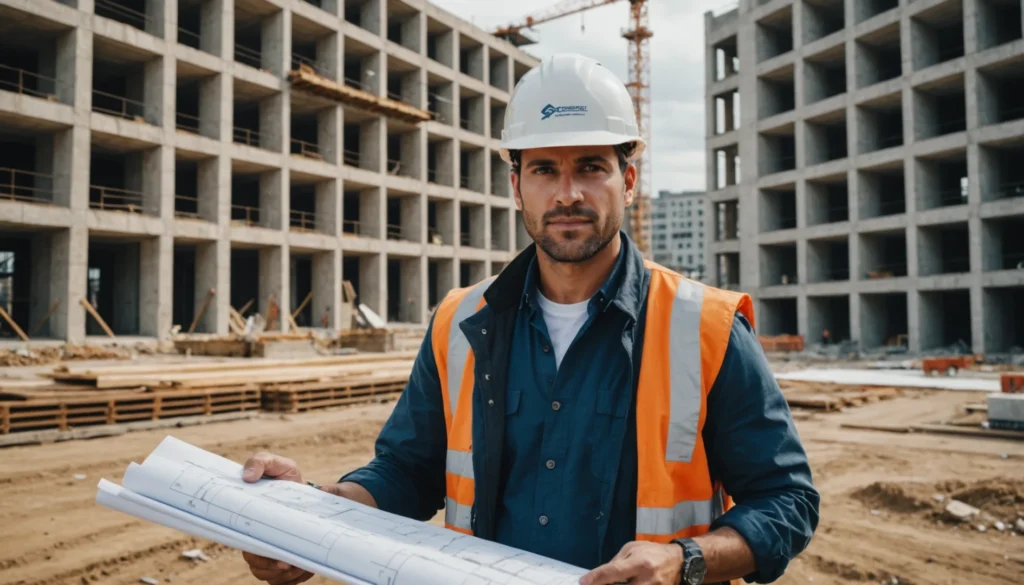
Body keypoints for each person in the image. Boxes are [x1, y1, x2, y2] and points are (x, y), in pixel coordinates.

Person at [240, 53, 819, 585]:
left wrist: (684, 560)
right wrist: (312, 512)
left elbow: (786, 502)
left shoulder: (707, 326)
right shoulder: (460, 321)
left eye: (591, 167)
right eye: (544, 169)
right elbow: (407, 472)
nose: (567, 194)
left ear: (630, 181)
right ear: (516, 187)